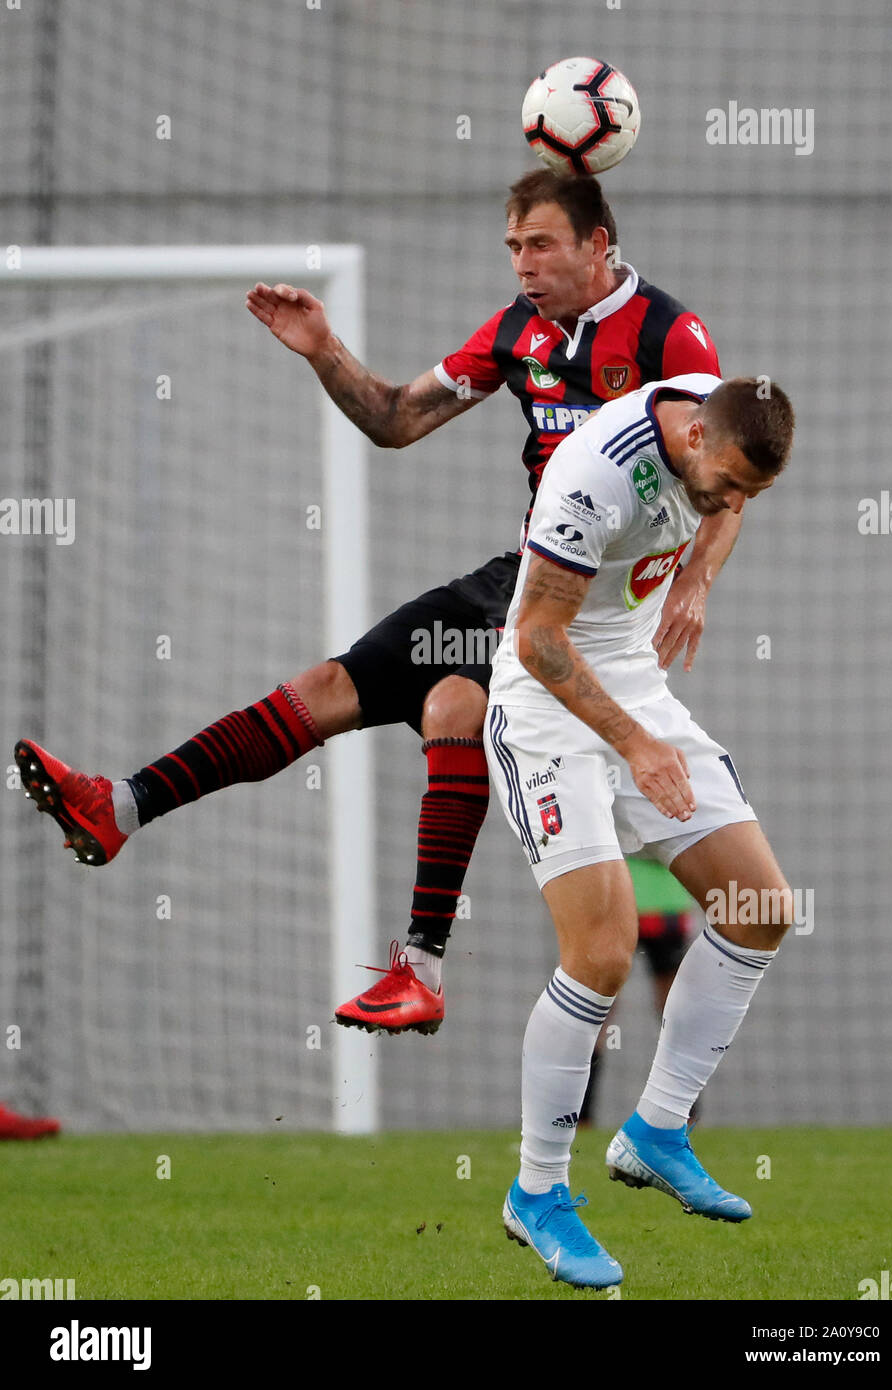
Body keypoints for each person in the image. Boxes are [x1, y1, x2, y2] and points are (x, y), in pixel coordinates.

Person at [15, 171, 739, 1036]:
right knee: (328, 688)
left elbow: (734, 473)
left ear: (597, 244)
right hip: (516, 580)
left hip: (592, 610)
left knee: (455, 701)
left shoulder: (669, 332)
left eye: (540, 244)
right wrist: (324, 348)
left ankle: (423, 968)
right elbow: (396, 418)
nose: (523, 264)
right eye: (513, 247)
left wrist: (695, 578)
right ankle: (120, 806)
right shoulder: (519, 331)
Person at [485, 372, 794, 1289]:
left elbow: (725, 509)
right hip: (548, 705)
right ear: (693, 436)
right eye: (724, 485)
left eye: (752, 494)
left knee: (761, 907)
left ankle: (656, 1130)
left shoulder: (721, 427)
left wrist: (697, 575)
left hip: (637, 690)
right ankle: (537, 1192)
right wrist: (634, 746)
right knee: (605, 951)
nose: (731, 504)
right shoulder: (594, 476)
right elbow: (539, 637)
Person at [578, 856, 699, 1128]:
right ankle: (685, 1115)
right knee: (673, 1013)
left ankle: (580, 1117)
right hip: (654, 907)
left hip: (624, 904)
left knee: (599, 1013)